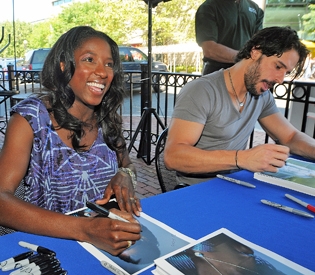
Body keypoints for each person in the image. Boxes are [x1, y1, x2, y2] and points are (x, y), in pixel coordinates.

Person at [0, 26, 142, 255]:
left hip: (102, 245)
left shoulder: (107, 119)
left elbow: (128, 165)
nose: (103, 72)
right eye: (89, 59)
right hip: (47, 248)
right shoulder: (31, 118)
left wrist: (126, 175)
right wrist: (86, 230)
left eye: (108, 64)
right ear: (63, 66)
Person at [164, 26, 315, 186]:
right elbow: (173, 157)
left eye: (286, 72)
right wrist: (242, 158)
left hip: (236, 183)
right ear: (255, 52)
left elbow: (290, 137)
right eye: (278, 67)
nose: (280, 79)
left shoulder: (262, 95)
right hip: (196, 189)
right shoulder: (202, 91)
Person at [195, 0, 264, 75]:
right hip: (216, 74)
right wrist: (245, 57)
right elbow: (209, 50)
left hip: (246, 73)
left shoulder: (255, 8)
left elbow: (259, 45)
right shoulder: (209, 7)